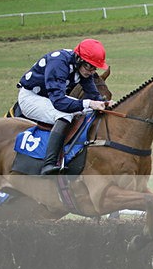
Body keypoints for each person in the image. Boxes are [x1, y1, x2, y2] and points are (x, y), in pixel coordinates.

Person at [17, 38, 112, 175]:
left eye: (94, 68)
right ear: (79, 59)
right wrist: (89, 103)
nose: (92, 71)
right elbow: (59, 102)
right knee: (65, 114)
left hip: (51, 98)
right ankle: (49, 164)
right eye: (89, 67)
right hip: (31, 98)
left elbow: (93, 95)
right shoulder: (59, 63)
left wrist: (106, 103)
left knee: (88, 110)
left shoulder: (83, 68)